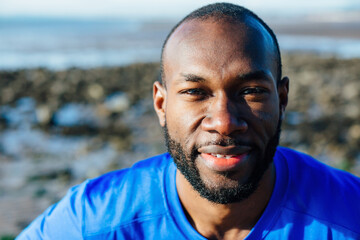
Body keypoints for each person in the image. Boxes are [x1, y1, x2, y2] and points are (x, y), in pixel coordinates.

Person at [17, 3, 360, 240]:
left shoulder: (348, 214)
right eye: (196, 92)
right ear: (161, 104)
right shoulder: (93, 221)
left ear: (282, 100)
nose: (224, 122)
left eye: (251, 91)